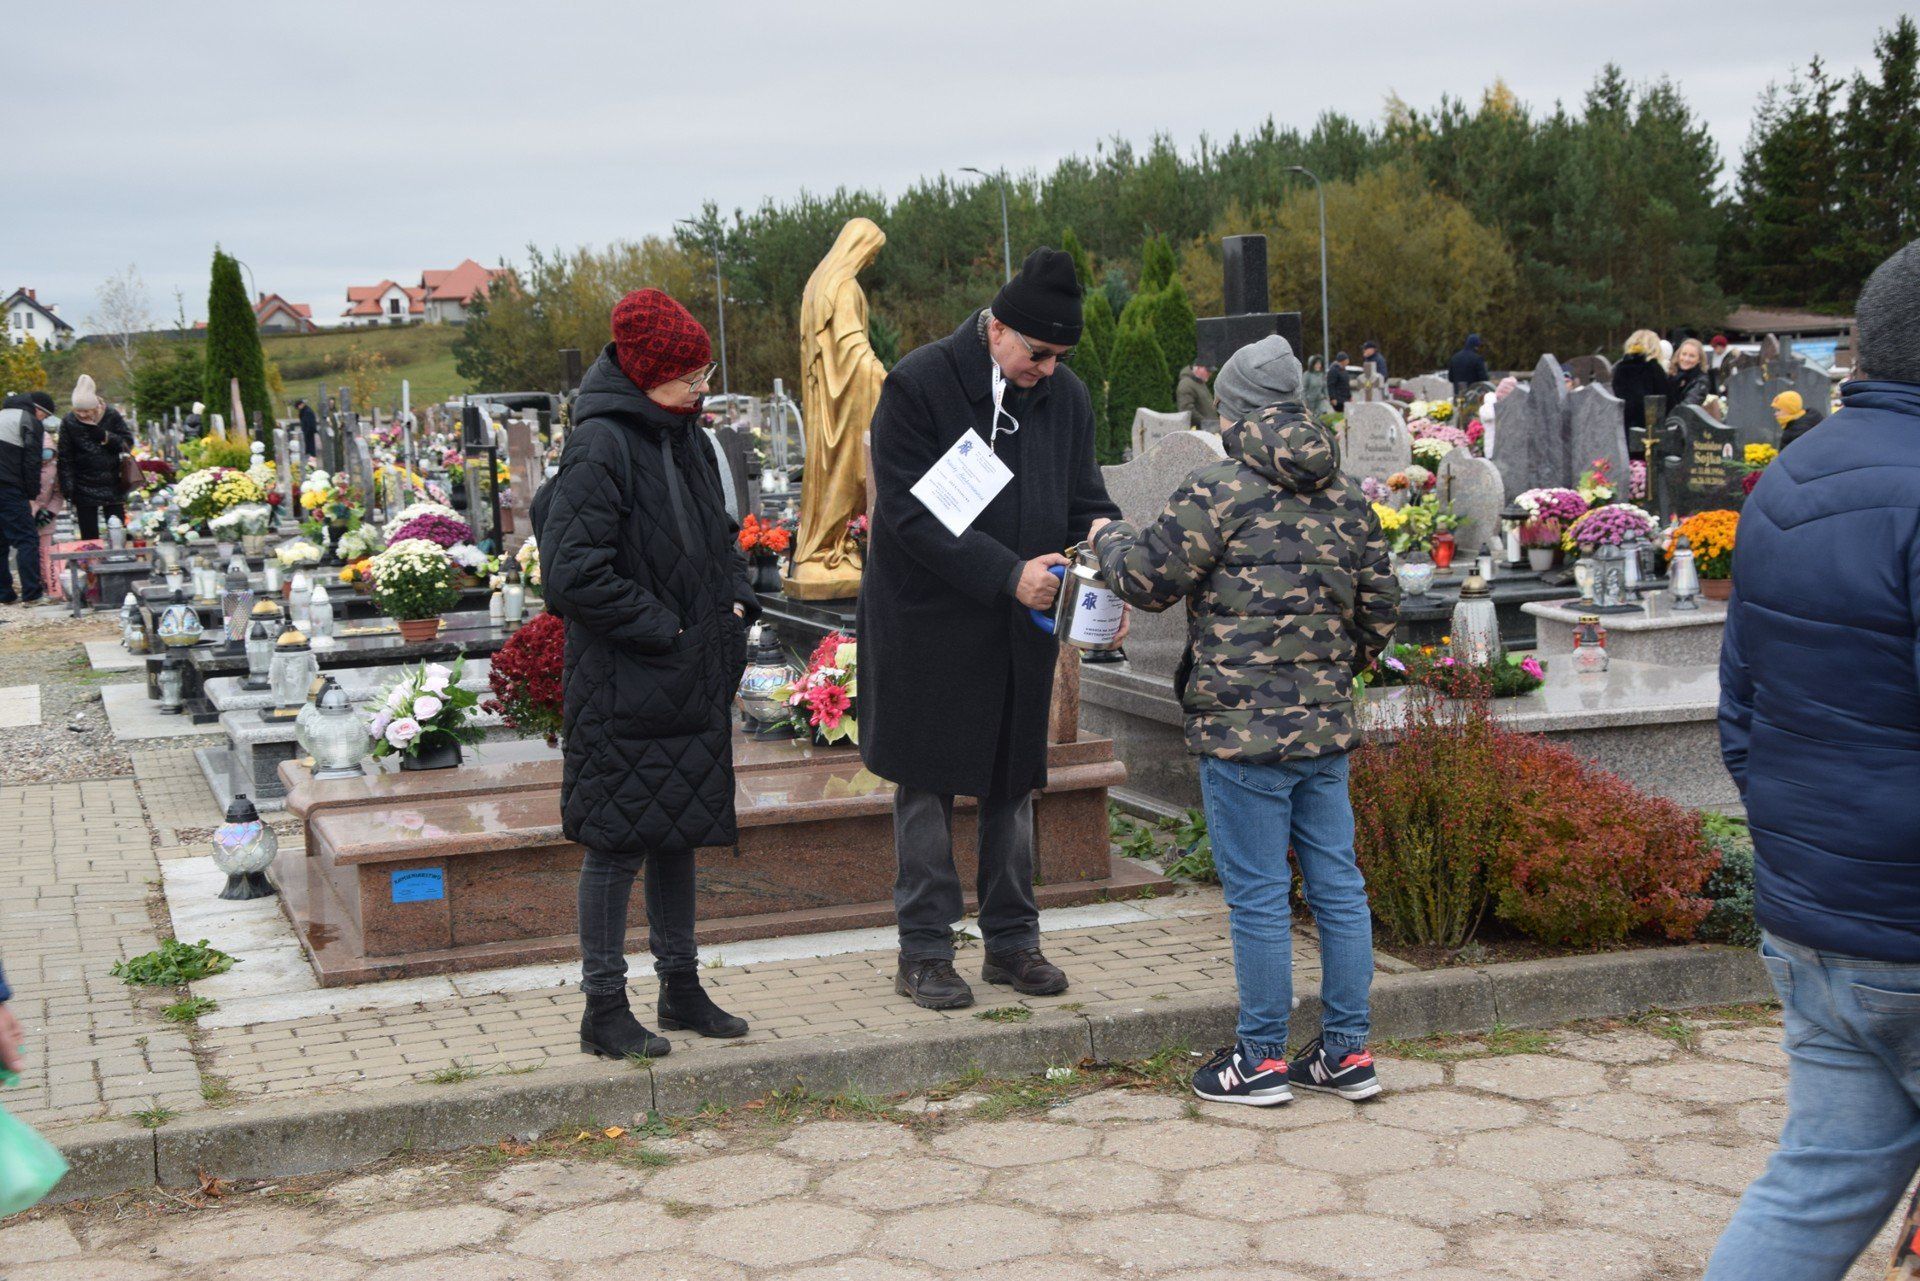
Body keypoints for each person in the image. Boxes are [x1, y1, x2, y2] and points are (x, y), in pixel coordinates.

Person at [1094, 336, 1398, 1104]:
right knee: (1338, 887)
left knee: (1260, 895)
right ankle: (1346, 1053)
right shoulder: (1347, 497)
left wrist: (1106, 538)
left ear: (1230, 409)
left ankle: (1260, 1059)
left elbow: (1146, 579)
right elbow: (1382, 611)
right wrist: (1329, 674)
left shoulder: (1218, 491)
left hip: (1240, 733)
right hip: (1323, 729)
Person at [1708, 239, 1920, 1281]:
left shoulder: (1792, 475)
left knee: (1813, 1191)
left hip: (1816, 922)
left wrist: (1808, 846)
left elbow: (1741, 707)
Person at [860, 247, 1122, 1010]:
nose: (1048, 368)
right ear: (997, 329)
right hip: (928, 622)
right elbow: (905, 513)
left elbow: (1086, 498)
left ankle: (1012, 941)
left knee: (1013, 779)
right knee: (928, 782)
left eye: (1061, 356)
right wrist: (1007, 573)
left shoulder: (1064, 396)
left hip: (1018, 625)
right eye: (1039, 353)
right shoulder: (920, 384)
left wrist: (1113, 550)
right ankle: (926, 950)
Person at [534, 288, 758, 1060]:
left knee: (677, 832)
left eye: (705, 373)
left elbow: (716, 533)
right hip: (628, 678)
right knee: (617, 842)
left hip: (691, 670)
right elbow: (571, 573)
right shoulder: (601, 445)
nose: (703, 390)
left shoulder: (685, 434)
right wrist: (665, 628)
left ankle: (681, 987)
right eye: (691, 377)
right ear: (646, 374)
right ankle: (603, 1005)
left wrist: (736, 598)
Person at [56, 375, 133, 541]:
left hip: (112, 480)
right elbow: (65, 455)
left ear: (95, 406)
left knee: (117, 529)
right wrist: (67, 486)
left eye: (86, 411)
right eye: (78, 411)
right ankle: (91, 563)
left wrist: (105, 436)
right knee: (89, 535)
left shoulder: (111, 415)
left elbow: (127, 443)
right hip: (83, 483)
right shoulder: (69, 421)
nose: (82, 415)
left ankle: (120, 560)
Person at [0, 391, 53, 603]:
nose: (44, 420)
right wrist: (32, 495)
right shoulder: (29, 420)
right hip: (9, 486)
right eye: (45, 416)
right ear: (38, 409)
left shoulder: (3, 414)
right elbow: (32, 462)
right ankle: (32, 593)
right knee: (27, 539)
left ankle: (4, 594)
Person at [1611, 330, 1670, 445]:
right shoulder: (1654, 368)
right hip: (1649, 432)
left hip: (1624, 429)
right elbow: (1666, 401)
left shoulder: (1620, 369)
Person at [33, 424, 62, 601]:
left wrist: (50, 512)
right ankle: (34, 581)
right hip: (28, 511)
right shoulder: (27, 466)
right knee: (30, 550)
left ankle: (49, 583)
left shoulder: (55, 468)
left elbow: (59, 493)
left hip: (46, 515)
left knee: (45, 550)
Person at [1669, 338, 1712, 408]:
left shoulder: (1701, 380)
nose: (1686, 359)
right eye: (1684, 354)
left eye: (1692, 356)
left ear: (1699, 360)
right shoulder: (1671, 374)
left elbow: (1688, 406)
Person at [1175, 361, 1216, 429]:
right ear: (1199, 367)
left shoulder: (1199, 383)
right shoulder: (1186, 384)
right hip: (1198, 432)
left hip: (1208, 430)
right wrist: (1207, 424)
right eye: (1208, 370)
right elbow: (1187, 410)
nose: (1210, 374)